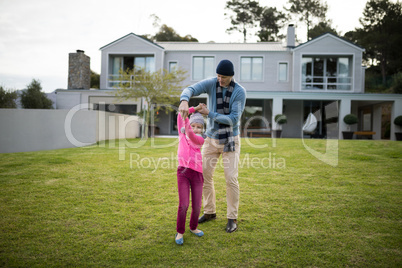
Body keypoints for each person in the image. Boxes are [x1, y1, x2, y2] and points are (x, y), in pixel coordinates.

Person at [179, 59, 246, 233]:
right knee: (205, 176)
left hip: (230, 139)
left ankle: (232, 217)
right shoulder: (212, 83)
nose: (220, 80)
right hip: (211, 140)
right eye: (218, 76)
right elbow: (191, 89)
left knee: (231, 179)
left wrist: (210, 113)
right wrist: (185, 100)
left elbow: (232, 119)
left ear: (231, 76)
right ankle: (210, 212)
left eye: (223, 77)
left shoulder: (239, 92)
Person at [175, 104, 206, 245]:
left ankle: (193, 227)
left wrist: (187, 122)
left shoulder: (200, 140)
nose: (196, 128)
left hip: (197, 174)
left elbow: (191, 135)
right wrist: (194, 108)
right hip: (183, 172)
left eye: (199, 127)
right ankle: (180, 231)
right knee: (184, 205)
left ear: (203, 130)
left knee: (197, 206)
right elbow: (180, 115)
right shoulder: (182, 134)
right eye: (194, 125)